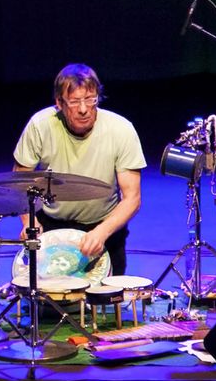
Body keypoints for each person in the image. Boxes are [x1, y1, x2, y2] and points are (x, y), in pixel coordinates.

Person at [12, 63, 146, 276]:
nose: (83, 109)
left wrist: (101, 233)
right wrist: (30, 223)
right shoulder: (40, 125)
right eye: (74, 101)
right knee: (49, 305)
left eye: (90, 99)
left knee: (105, 306)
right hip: (52, 225)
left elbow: (132, 198)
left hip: (104, 227)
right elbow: (20, 182)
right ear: (59, 103)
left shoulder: (121, 129)